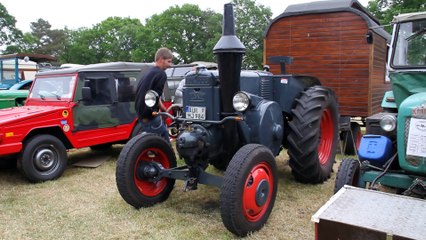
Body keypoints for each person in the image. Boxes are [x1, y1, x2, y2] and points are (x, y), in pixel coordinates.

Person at [135, 47, 173, 142]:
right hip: (149, 115)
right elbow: (155, 97)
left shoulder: (149, 72)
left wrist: (164, 110)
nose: (170, 65)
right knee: (163, 141)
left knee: (151, 139)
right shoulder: (161, 74)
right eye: (169, 62)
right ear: (161, 59)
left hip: (141, 114)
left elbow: (154, 95)